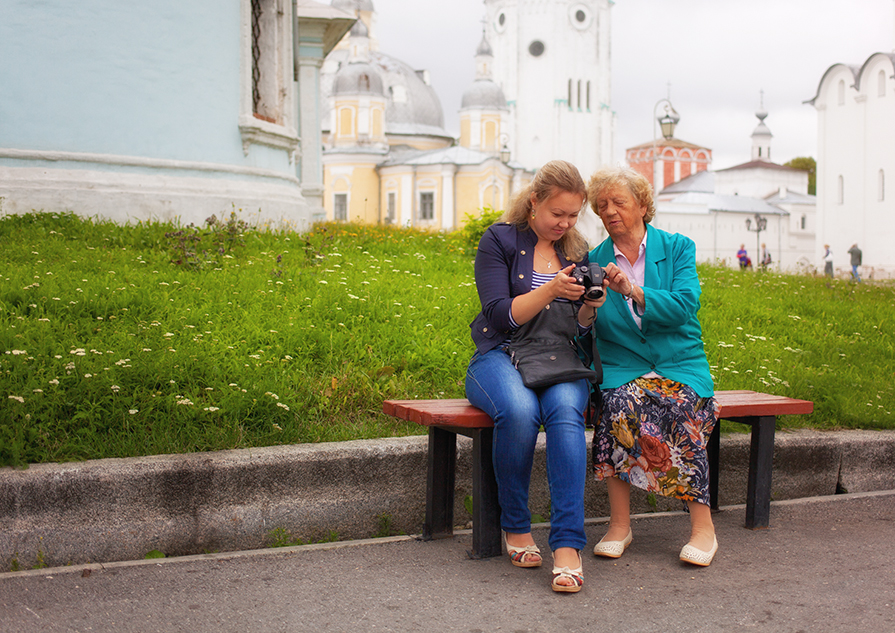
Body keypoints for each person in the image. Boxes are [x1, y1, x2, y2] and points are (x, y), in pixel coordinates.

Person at [466, 160, 606, 593]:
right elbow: (500, 315)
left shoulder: (576, 250)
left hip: (556, 358)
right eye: (556, 214)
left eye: (572, 215)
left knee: (566, 411)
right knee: (520, 410)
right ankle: (516, 523)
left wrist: (588, 307)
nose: (565, 223)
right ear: (534, 202)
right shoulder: (499, 240)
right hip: (500, 354)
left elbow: (578, 330)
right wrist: (550, 289)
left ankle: (567, 545)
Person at [584, 166, 721, 567]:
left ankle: (703, 529)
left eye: (619, 202)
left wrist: (633, 290)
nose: (610, 211)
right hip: (624, 367)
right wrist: (587, 311)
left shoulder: (677, 247)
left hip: (679, 364)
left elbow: (684, 306)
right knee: (614, 406)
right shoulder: (594, 260)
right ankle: (620, 525)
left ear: (643, 206)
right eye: (602, 205)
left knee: (676, 407)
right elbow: (590, 333)